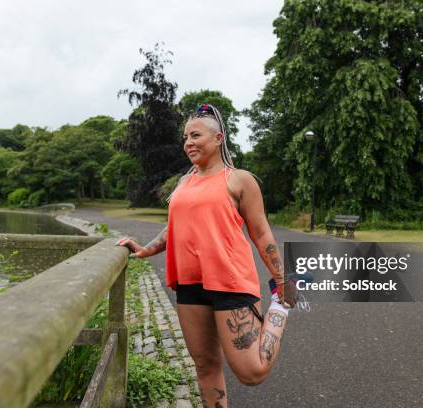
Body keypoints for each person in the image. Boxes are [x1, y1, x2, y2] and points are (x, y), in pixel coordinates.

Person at [116, 103, 298, 408]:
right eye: (185, 137)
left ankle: (281, 308)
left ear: (218, 138)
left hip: (230, 282)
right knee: (205, 367)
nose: (188, 143)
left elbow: (262, 234)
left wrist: (282, 281)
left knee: (252, 372)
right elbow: (175, 228)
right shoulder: (184, 183)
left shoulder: (239, 180)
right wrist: (147, 249)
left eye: (195, 135)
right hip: (190, 284)